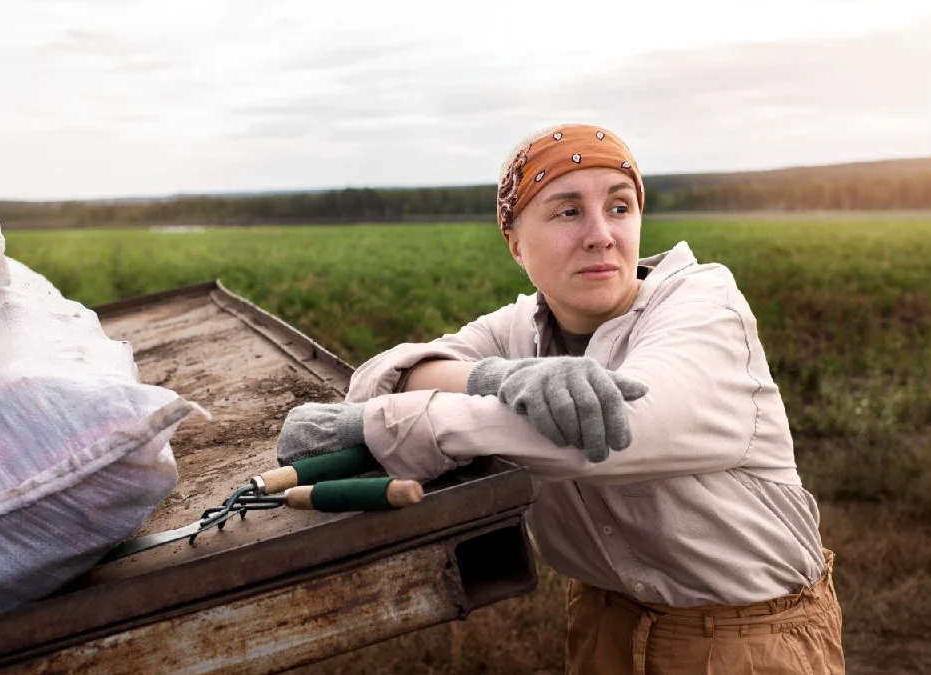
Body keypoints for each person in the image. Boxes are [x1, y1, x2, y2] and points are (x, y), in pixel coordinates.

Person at [276, 124, 845, 674]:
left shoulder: (704, 307)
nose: (601, 233)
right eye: (568, 211)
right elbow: (384, 373)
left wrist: (386, 424)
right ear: (516, 244)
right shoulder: (520, 328)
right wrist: (497, 376)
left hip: (748, 638)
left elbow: (612, 431)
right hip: (603, 620)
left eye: (620, 208)